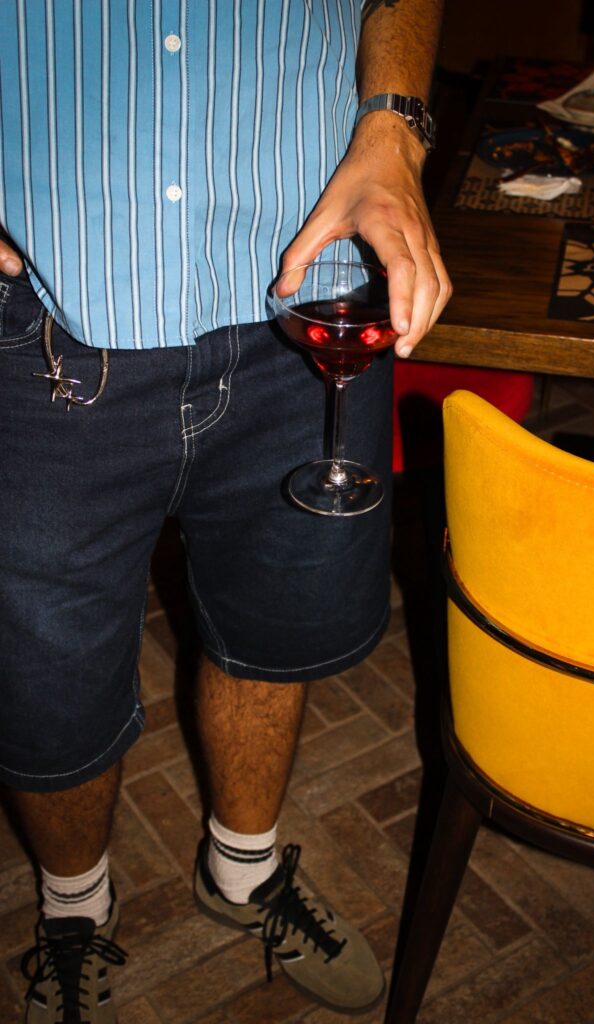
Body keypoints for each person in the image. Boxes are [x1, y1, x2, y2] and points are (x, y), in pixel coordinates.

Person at [0, 1, 450, 1020]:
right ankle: (74, 908)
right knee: (40, 690)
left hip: (311, 298)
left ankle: (241, 870)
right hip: (37, 320)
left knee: (275, 630)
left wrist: (393, 124)